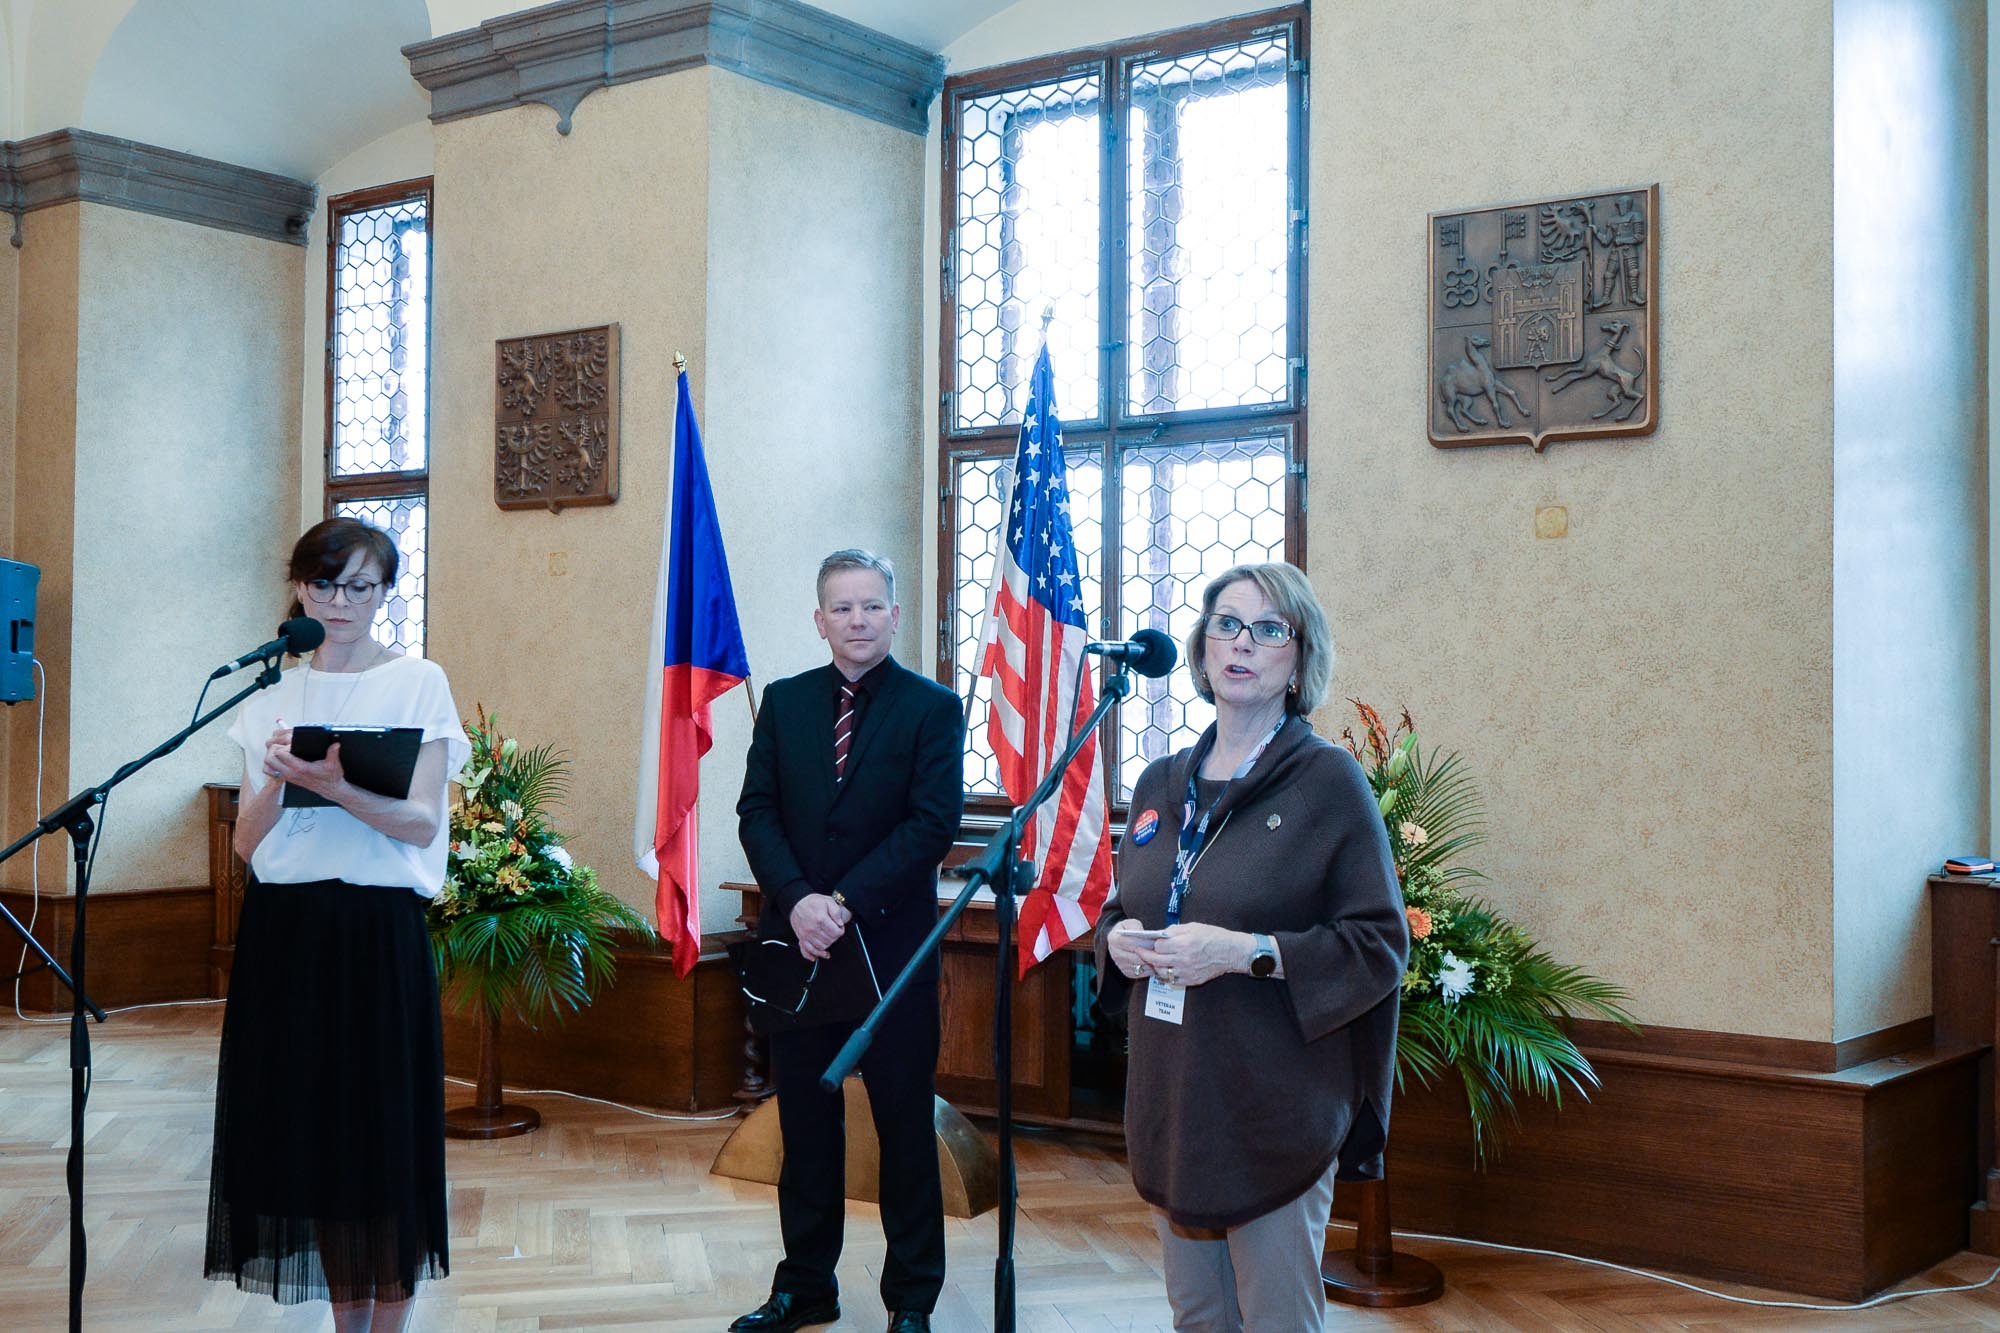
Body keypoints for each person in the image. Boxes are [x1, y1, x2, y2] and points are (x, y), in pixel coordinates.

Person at [1096, 562, 1409, 1333]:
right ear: (1203, 648)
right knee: (1199, 1315)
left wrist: (1244, 953)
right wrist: (1118, 938)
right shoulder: (1160, 783)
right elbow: (1125, 902)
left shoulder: (1328, 783)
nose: (1242, 642)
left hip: (1275, 1109)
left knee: (1275, 1320)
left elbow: (1379, 944)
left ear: (1299, 662)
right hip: (1174, 1100)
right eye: (1227, 623)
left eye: (1269, 629)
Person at [204, 517, 468, 1333]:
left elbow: (421, 824)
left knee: (380, 1136)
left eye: (359, 585)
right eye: (324, 583)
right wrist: (280, 780)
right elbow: (246, 845)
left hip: (374, 930)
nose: (340, 601)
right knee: (309, 1134)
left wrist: (337, 786)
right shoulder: (271, 696)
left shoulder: (418, 682)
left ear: (384, 592)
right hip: (285, 932)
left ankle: (388, 1324)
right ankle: (344, 1322)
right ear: (299, 588)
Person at [734, 549, 965, 1333]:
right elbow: (756, 811)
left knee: (904, 1128)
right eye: (842, 607)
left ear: (895, 615)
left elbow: (931, 824)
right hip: (799, 951)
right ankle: (806, 1286)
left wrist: (841, 903)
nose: (857, 619)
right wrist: (798, 900)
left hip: (890, 955)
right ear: (820, 619)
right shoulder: (786, 701)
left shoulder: (931, 707)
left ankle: (912, 1299)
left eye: (871, 606)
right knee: (805, 1129)